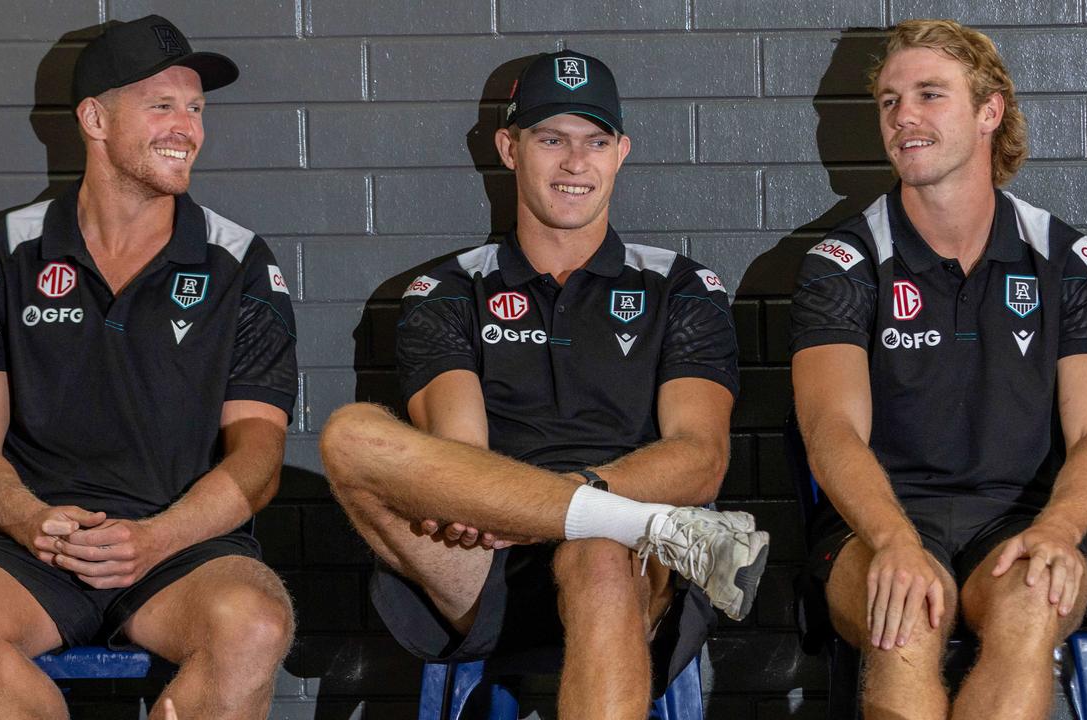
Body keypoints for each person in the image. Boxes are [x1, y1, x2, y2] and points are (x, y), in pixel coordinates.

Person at [320, 50, 768, 718]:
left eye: (595, 142)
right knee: (349, 435)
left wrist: (568, 503)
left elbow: (700, 459)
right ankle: (617, 522)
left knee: (595, 557)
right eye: (551, 139)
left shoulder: (679, 286)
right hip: (483, 559)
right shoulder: (446, 290)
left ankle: (609, 522)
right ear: (510, 147)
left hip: (628, 564)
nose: (575, 163)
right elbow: (459, 456)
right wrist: (501, 510)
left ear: (621, 153)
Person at [0, 15, 298, 720]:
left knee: (255, 622)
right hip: (34, 544)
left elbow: (260, 454)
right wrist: (31, 521)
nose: (188, 127)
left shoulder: (239, 261)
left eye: (196, 108)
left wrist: (158, 537)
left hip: (181, 545)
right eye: (162, 106)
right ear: (94, 118)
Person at [789, 19, 1087, 719]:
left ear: (988, 111)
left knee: (1032, 605)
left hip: (1021, 521)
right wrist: (892, 540)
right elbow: (832, 431)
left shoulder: (1067, 259)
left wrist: (1060, 529)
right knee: (903, 616)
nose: (903, 115)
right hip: (874, 524)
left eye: (929, 95)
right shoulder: (842, 263)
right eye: (888, 100)